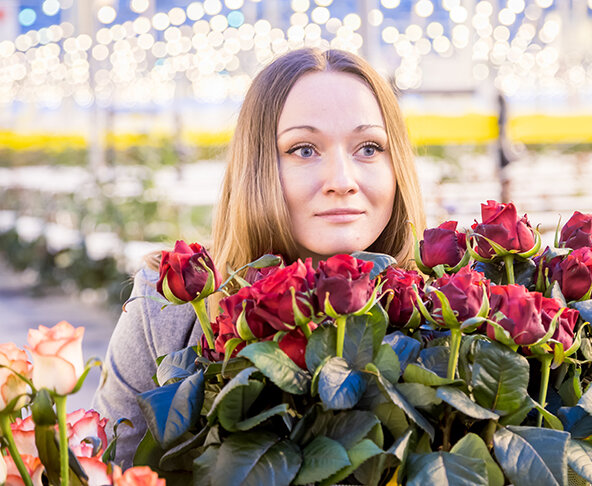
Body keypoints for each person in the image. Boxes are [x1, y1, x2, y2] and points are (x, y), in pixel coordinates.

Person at [92, 47, 426, 467]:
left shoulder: (445, 313)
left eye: (369, 147)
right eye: (304, 149)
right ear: (257, 167)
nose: (342, 180)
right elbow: (106, 469)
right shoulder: (166, 313)